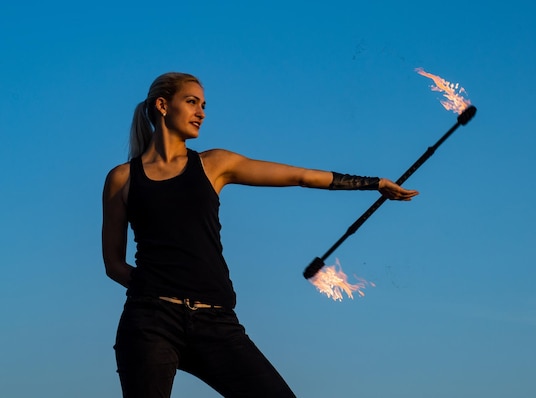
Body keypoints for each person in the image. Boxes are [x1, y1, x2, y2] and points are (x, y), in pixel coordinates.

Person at [101, 72, 418, 398]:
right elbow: (113, 263)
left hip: (217, 322)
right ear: (163, 105)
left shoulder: (214, 164)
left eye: (204, 105)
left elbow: (301, 176)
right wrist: (155, 287)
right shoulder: (122, 179)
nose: (202, 113)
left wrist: (375, 183)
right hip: (150, 322)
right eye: (192, 102)